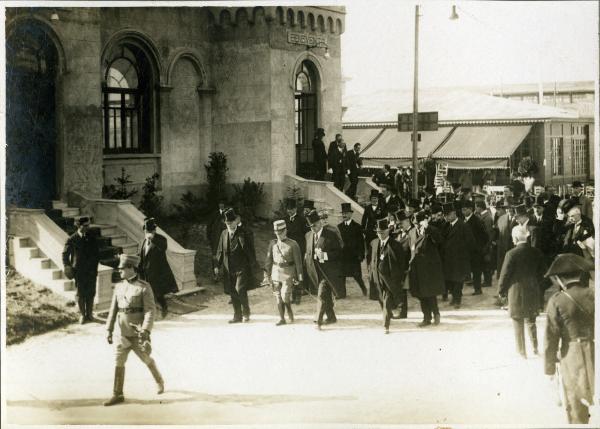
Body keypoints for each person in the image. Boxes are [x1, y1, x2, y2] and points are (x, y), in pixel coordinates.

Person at [104, 254, 164, 406]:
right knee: (119, 361)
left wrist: (145, 330)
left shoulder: (144, 287)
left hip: (138, 334)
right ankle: (117, 394)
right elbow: (113, 310)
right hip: (121, 333)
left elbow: (150, 311)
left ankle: (159, 381)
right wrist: (109, 329)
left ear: (131, 268)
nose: (120, 271)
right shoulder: (118, 287)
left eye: (122, 268)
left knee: (146, 359)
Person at [544, 253, 595, 424]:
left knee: (576, 405)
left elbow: (551, 337)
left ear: (560, 279)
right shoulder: (594, 294)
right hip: (595, 350)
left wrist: (549, 367)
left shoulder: (557, 301)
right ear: (580, 274)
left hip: (572, 356)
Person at [498, 226, 546, 358]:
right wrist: (539, 287)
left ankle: (522, 351)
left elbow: (505, 275)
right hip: (532, 289)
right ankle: (535, 348)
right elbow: (544, 273)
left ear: (515, 238)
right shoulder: (536, 252)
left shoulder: (511, 254)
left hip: (516, 291)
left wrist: (501, 291)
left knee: (517, 321)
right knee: (531, 320)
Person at [214, 208, 258, 323]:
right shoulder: (223, 234)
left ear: (236, 222)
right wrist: (216, 266)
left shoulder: (243, 233)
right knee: (232, 291)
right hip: (229, 268)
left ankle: (246, 313)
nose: (230, 225)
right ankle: (237, 315)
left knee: (240, 289)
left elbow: (250, 250)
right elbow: (219, 251)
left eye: (232, 222)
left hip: (242, 267)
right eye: (227, 223)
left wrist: (253, 264)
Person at [304, 209, 344, 330]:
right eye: (310, 226)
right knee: (325, 296)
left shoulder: (330, 235)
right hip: (315, 273)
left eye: (315, 225)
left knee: (321, 295)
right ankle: (331, 317)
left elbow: (339, 253)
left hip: (328, 272)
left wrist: (325, 256)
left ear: (320, 222)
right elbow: (308, 253)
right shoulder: (308, 235)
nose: (313, 228)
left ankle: (318, 321)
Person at [368, 218, 408, 334]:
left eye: (383, 232)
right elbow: (370, 259)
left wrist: (398, 279)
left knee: (387, 300)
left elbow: (401, 264)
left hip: (390, 279)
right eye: (379, 233)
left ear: (388, 231)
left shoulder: (395, 245)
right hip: (377, 278)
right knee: (380, 299)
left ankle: (386, 325)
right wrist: (371, 271)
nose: (381, 235)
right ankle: (388, 313)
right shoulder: (374, 243)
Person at [409, 211, 445, 327]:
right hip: (417, 268)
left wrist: (428, 227)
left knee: (429, 293)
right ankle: (427, 317)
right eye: (414, 224)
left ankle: (435, 314)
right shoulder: (412, 232)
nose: (416, 226)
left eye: (418, 224)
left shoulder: (430, 231)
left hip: (429, 269)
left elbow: (439, 240)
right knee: (420, 294)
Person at [264, 220, 303, 326]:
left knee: (285, 296)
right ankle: (282, 319)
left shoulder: (293, 244)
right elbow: (268, 260)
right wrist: (266, 274)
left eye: (280, 232)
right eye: (276, 232)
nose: (278, 234)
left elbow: (298, 263)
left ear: (285, 230)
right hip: (276, 272)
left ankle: (289, 311)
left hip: (288, 273)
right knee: (278, 296)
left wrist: (299, 278)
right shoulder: (273, 244)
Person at [138, 218, 179, 319]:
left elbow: (163, 247)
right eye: (146, 231)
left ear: (154, 231)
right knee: (147, 294)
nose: (147, 233)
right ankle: (149, 314)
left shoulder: (161, 239)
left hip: (157, 273)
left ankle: (164, 308)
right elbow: (141, 255)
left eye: (150, 231)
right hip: (145, 273)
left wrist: (153, 239)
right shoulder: (143, 241)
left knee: (158, 294)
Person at [62, 216, 100, 324]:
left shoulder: (92, 237)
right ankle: (83, 315)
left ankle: (90, 314)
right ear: (79, 226)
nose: (88, 227)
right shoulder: (72, 239)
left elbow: (96, 254)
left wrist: (95, 269)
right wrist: (67, 266)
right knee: (80, 293)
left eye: (89, 225)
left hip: (91, 271)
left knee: (91, 292)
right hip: (79, 271)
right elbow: (65, 254)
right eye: (85, 225)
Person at [441, 202, 475, 309]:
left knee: (458, 281)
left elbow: (471, 242)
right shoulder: (447, 226)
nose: (446, 217)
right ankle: (454, 298)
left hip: (460, 259)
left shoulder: (463, 226)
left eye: (447, 215)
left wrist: (465, 254)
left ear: (453, 213)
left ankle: (457, 300)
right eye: (445, 215)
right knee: (451, 280)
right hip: (449, 259)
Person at [338, 203, 367, 297]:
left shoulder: (357, 227)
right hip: (343, 256)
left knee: (357, 275)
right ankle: (342, 293)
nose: (344, 215)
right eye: (343, 213)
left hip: (353, 256)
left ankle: (364, 288)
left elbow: (361, 242)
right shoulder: (339, 227)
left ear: (351, 214)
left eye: (346, 213)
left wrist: (361, 254)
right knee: (342, 275)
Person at [282, 198, 306, 304]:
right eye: (288, 209)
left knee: (297, 272)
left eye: (291, 209)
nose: (290, 211)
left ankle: (298, 295)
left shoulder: (302, 220)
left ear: (295, 209)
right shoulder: (284, 220)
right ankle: (292, 294)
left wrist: (305, 251)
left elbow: (306, 236)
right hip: (288, 250)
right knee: (289, 272)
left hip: (299, 250)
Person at [462, 200, 488, 295]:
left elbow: (485, 236)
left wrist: (478, 247)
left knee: (476, 271)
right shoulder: (464, 220)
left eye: (465, 210)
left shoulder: (477, 221)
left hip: (475, 251)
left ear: (471, 209)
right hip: (466, 251)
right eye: (462, 210)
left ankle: (478, 289)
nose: (463, 212)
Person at [392, 210, 414, 318]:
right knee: (403, 289)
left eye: (401, 223)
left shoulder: (413, 232)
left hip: (409, 266)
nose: (400, 226)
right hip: (402, 266)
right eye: (399, 223)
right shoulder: (401, 233)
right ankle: (402, 312)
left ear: (408, 220)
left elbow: (413, 251)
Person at [362, 190, 384, 267]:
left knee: (378, 248)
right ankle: (369, 265)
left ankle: (377, 264)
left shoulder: (381, 208)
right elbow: (364, 219)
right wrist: (363, 230)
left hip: (378, 232)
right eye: (373, 198)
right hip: (369, 232)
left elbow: (384, 219)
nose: (374, 200)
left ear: (378, 199)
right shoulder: (367, 208)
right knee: (368, 249)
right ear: (370, 199)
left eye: (375, 198)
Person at [207, 197, 227, 281]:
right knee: (215, 257)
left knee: (225, 256)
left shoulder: (228, 214)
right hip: (215, 240)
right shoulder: (214, 214)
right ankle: (216, 274)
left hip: (225, 239)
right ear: (218, 205)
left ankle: (226, 275)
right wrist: (210, 238)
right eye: (220, 203)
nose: (221, 205)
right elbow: (209, 227)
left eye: (223, 203)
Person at [475, 200, 495, 285]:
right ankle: (487, 280)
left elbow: (489, 233)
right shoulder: (484, 216)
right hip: (484, 244)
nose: (475, 209)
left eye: (476, 207)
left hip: (486, 245)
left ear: (479, 207)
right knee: (484, 263)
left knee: (486, 263)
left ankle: (488, 281)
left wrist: (487, 245)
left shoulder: (486, 217)